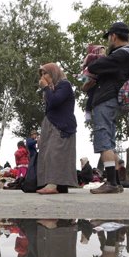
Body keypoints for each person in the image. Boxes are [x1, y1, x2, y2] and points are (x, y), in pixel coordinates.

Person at [86, 22, 129, 194]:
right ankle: (115, 181)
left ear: (113, 36)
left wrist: (94, 59)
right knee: (110, 141)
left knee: (103, 141)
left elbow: (93, 67)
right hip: (112, 100)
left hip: (106, 99)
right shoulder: (127, 55)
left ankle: (111, 183)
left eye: (108, 37)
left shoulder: (121, 55)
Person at [35, 63, 78, 194]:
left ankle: (53, 185)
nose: (43, 76)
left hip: (61, 125)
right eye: (41, 74)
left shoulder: (64, 85)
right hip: (52, 124)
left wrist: (46, 88)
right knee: (47, 154)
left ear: (53, 73)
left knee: (55, 153)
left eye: (45, 73)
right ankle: (58, 185)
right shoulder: (55, 88)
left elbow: (54, 101)